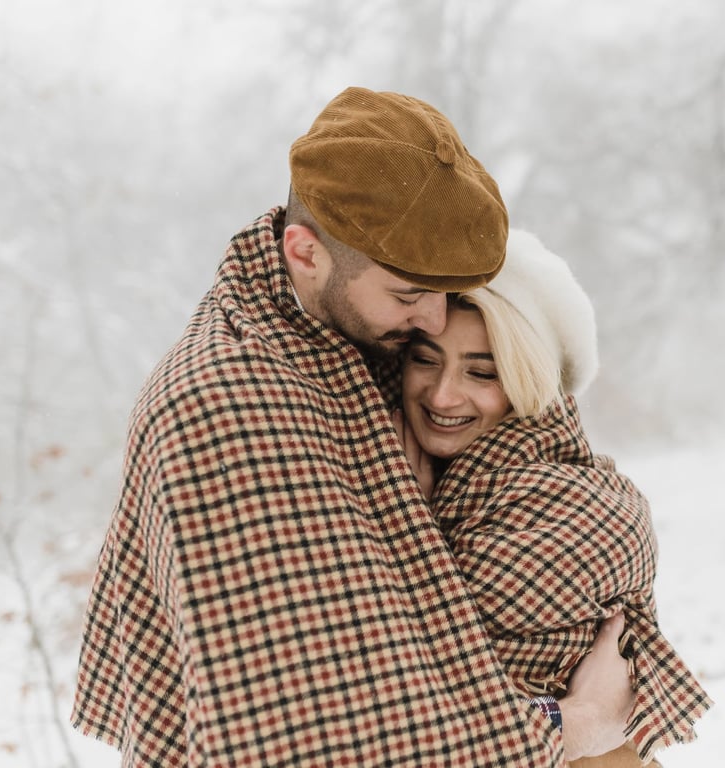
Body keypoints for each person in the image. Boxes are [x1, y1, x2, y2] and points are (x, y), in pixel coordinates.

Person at [71, 87, 634, 766]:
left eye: (444, 295)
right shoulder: (229, 408)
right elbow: (319, 741)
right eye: (408, 294)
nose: (431, 319)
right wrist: (575, 724)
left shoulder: (359, 343)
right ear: (304, 252)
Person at [393, 229, 712, 766]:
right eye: (426, 361)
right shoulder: (436, 485)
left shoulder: (580, 505)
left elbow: (423, 682)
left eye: (482, 372)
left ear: (526, 379)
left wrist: (406, 519)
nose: (443, 394)